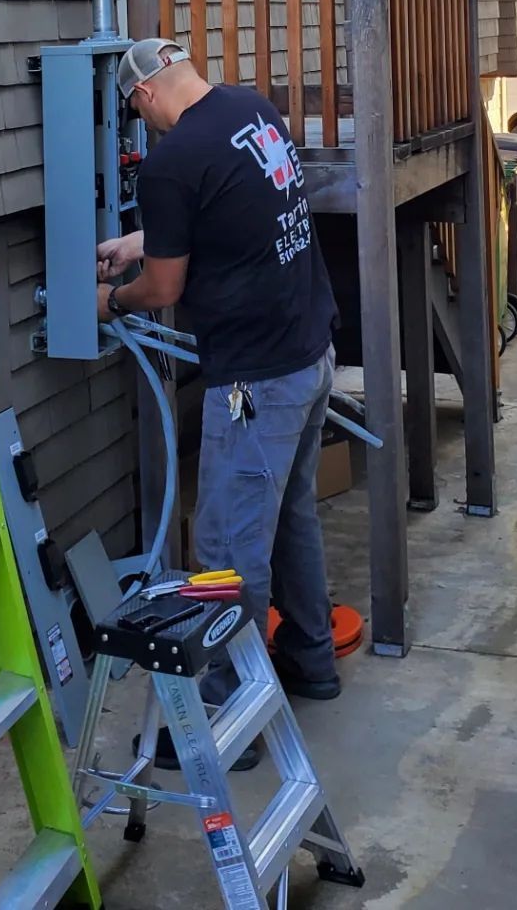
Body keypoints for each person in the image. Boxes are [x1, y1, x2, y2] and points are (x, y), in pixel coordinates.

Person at [96, 36, 342, 716]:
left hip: (255, 383)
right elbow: (235, 209)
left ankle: (231, 702)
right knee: (291, 518)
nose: (143, 123)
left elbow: (162, 288)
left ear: (144, 95)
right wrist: (142, 241)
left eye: (136, 111)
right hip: (308, 353)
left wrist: (110, 299)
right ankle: (310, 660)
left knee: (228, 544)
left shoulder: (170, 162)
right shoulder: (250, 111)